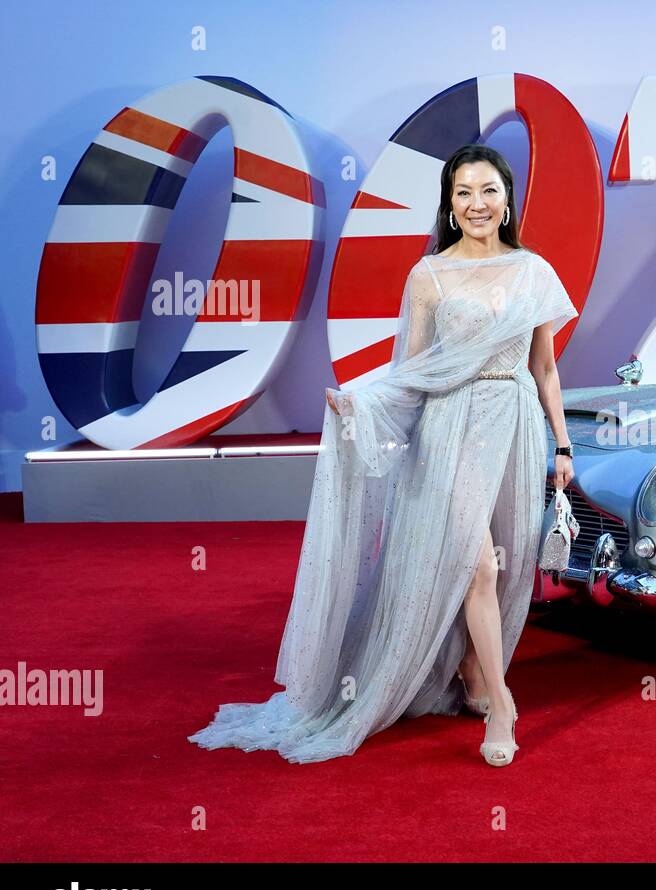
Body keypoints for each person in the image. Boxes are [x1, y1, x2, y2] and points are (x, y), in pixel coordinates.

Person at [189, 144, 577, 766]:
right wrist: (362, 405)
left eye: (488, 191)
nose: (477, 204)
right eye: (463, 193)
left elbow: (546, 369)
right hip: (448, 428)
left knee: (506, 562)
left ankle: (475, 672)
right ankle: (501, 705)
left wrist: (562, 444)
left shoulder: (534, 270)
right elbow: (410, 373)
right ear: (449, 206)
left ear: (507, 199)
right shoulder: (429, 276)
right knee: (475, 564)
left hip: (514, 426)